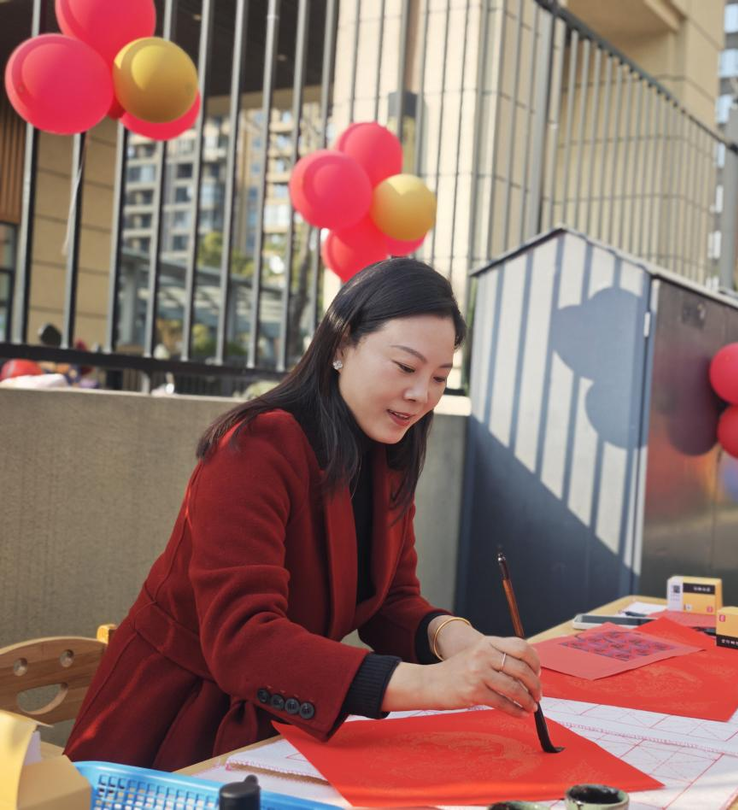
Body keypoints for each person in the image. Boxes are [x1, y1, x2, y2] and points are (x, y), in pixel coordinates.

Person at [65, 259, 542, 771]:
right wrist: (432, 684)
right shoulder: (253, 446)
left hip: (285, 728)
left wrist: (457, 638)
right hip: (173, 730)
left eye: (440, 377)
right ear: (340, 346)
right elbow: (245, 641)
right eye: (406, 367)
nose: (422, 394)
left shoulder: (388, 456)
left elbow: (389, 602)